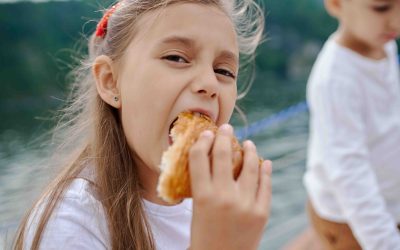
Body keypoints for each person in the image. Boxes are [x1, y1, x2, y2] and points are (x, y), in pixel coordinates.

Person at [12, 0, 273, 249]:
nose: (209, 83)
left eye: (224, 71)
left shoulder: (218, 203)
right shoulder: (71, 223)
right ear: (110, 81)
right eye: (177, 58)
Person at [304, 0, 400, 249]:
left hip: (387, 203)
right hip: (349, 220)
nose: (398, 21)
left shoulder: (383, 44)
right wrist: (385, 243)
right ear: (336, 4)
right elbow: (349, 173)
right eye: (382, 8)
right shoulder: (335, 79)